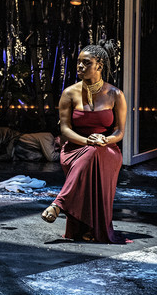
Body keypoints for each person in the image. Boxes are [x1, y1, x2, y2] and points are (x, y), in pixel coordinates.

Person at [41, 39, 127, 243]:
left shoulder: (116, 94)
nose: (80, 66)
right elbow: (65, 130)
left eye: (86, 63)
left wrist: (104, 140)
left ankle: (59, 205)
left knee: (96, 153)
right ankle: (87, 225)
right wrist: (88, 141)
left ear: (99, 65)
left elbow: (120, 131)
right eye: (79, 62)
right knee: (91, 153)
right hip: (75, 147)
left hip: (106, 148)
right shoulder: (69, 93)